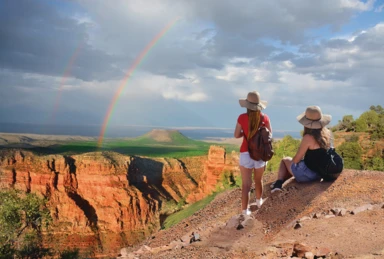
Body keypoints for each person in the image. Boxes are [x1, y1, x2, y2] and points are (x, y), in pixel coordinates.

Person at [270, 106, 332, 192]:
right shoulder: (328, 134)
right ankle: (282, 180)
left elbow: (296, 160)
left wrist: (296, 159)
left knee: (285, 160)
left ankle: (278, 183)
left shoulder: (308, 137)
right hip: (320, 173)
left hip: (308, 175)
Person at [234, 91, 272, 215]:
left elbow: (236, 135)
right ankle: (259, 202)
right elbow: (269, 135)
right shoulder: (265, 118)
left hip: (245, 153)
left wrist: (245, 134)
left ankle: (245, 211)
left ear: (247, 105)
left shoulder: (242, 117)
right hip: (260, 153)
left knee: (246, 184)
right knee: (258, 180)